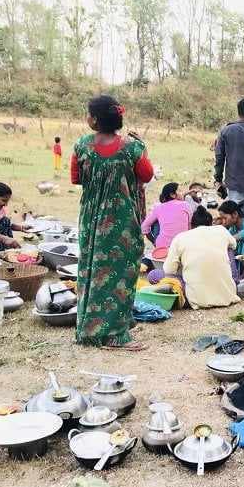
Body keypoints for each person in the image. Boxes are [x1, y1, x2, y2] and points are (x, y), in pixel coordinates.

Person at [72, 94, 153, 351]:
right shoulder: (131, 147)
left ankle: (93, 326)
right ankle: (114, 335)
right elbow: (147, 175)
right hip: (121, 220)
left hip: (91, 219)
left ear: (94, 119)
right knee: (121, 273)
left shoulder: (81, 146)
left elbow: (76, 178)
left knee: (91, 269)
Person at [162, 206, 240, 309]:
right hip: (227, 294)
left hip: (196, 296)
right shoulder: (221, 230)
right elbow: (234, 245)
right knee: (229, 247)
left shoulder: (180, 238)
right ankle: (234, 281)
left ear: (191, 225)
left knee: (154, 275)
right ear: (210, 222)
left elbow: (169, 270)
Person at [141, 182, 194, 248]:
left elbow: (144, 226)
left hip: (162, 246)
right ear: (172, 195)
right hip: (183, 245)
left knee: (156, 221)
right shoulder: (185, 205)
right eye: (179, 191)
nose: (182, 193)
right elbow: (190, 225)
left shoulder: (158, 208)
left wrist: (154, 241)